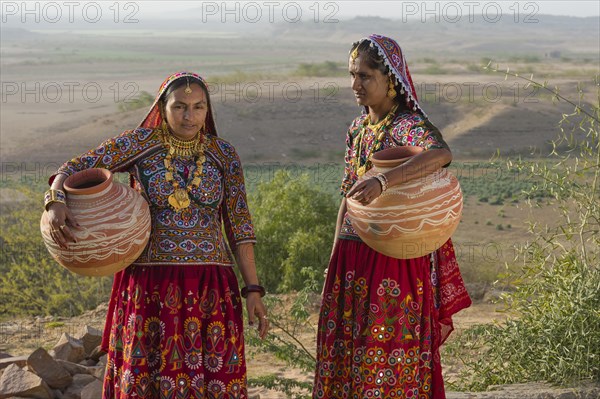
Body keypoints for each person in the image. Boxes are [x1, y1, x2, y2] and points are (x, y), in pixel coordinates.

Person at [44, 72, 269, 398]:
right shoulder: (140, 144)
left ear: (208, 110)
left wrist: (253, 289)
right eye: (180, 107)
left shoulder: (224, 155)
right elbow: (75, 166)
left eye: (198, 107)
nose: (189, 116)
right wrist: (56, 201)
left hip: (210, 290)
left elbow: (239, 225)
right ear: (162, 108)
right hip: (150, 288)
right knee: (147, 380)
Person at [313, 35, 472, 399]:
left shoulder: (407, 125)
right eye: (352, 75)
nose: (355, 85)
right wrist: (333, 258)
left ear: (391, 80)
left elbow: (440, 154)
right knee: (346, 350)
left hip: (394, 256)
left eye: (365, 76)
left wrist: (384, 180)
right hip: (351, 257)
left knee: (383, 350)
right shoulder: (357, 129)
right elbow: (347, 196)